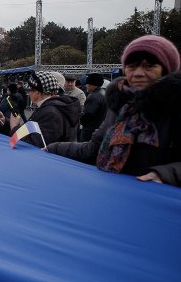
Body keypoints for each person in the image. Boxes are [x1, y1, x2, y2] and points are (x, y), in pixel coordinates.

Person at [47, 35, 181, 186]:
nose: (138, 73)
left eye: (149, 66)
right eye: (131, 66)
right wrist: (53, 148)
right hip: (113, 195)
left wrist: (163, 174)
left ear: (166, 69)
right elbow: (92, 149)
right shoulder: (120, 107)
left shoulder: (175, 108)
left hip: (157, 200)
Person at [0, 71, 81, 147]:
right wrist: (4, 122)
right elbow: (31, 134)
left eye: (30, 90)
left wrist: (14, 127)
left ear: (38, 92)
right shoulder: (51, 107)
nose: (29, 94)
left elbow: (34, 145)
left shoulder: (51, 112)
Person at [80, 73, 108, 142]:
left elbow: (88, 115)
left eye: (87, 84)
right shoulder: (103, 93)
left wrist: (81, 119)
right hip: (100, 129)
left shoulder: (93, 96)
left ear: (92, 85)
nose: (86, 86)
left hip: (91, 132)